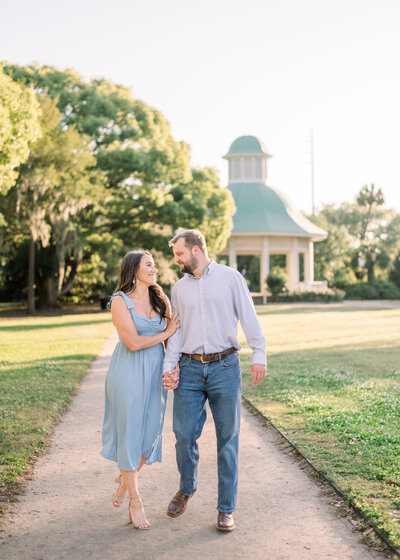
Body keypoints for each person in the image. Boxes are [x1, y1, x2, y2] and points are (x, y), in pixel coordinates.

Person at [163, 229, 266, 532]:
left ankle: (226, 509)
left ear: (196, 250)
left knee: (228, 439)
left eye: (179, 254)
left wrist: (258, 354)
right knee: (183, 434)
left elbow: (248, 315)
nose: (177, 260)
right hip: (190, 368)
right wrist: (170, 366)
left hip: (225, 366)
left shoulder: (231, 278)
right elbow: (177, 331)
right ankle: (186, 488)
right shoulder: (179, 288)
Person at [100, 250, 180, 530]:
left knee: (150, 435)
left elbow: (175, 334)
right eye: (149, 265)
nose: (154, 269)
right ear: (134, 270)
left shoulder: (161, 297)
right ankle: (135, 498)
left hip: (155, 373)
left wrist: (174, 366)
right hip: (127, 373)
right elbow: (133, 342)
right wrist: (165, 334)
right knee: (129, 434)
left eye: (154, 265)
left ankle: (124, 480)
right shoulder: (119, 302)